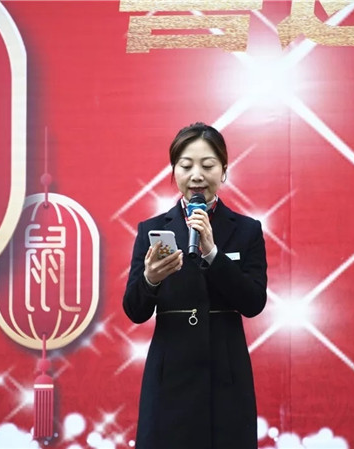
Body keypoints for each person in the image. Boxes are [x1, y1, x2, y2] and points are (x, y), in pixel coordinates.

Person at [123, 122, 268, 449]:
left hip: (226, 376)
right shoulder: (152, 230)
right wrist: (151, 279)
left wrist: (213, 253)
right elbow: (134, 310)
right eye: (186, 166)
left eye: (208, 165)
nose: (197, 175)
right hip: (169, 378)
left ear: (224, 170)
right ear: (174, 171)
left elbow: (253, 302)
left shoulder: (246, 230)